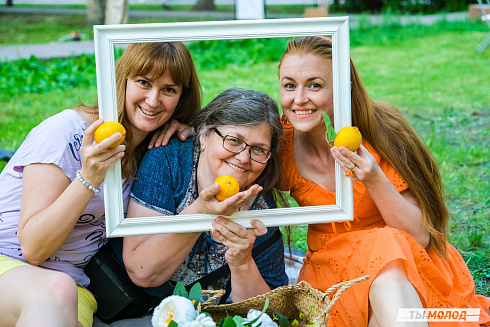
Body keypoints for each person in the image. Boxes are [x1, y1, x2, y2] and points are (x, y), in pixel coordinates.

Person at [277, 36, 490, 327]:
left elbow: (420, 236)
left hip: (409, 268)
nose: (299, 99)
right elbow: (226, 152)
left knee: (384, 245)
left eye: (314, 85)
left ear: (343, 87)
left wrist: (374, 177)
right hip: (334, 276)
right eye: (289, 85)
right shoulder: (281, 142)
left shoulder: (383, 131)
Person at [0, 41, 201, 327]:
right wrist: (88, 178)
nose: (154, 100)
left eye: (169, 89)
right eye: (143, 82)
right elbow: (33, 248)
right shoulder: (66, 133)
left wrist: (189, 130)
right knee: (57, 291)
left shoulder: (153, 154)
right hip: (8, 263)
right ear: (122, 80)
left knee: (61, 291)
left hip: (72, 286)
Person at [114, 87, 288, 306]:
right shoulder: (170, 161)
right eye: (234, 140)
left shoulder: (261, 208)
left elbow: (271, 311)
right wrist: (200, 212)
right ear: (204, 135)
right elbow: (142, 272)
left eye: (259, 149)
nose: (244, 157)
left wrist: (242, 262)